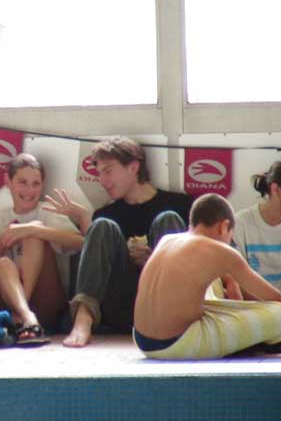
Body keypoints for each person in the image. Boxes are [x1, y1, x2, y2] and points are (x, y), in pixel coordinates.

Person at [44, 137, 192, 347]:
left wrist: (155, 259)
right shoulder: (105, 214)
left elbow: (203, 257)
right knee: (103, 224)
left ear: (133, 167)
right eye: (99, 173)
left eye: (108, 171)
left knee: (168, 218)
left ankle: (176, 320)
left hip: (163, 303)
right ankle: (83, 319)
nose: (102, 180)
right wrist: (85, 218)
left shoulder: (182, 204)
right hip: (120, 306)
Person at [134, 193, 281, 359]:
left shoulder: (167, 240)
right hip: (177, 343)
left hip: (142, 340)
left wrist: (232, 282)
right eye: (229, 237)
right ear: (224, 226)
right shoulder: (221, 251)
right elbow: (275, 297)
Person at [0, 154, 83, 344]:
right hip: (7, 303)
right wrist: (2, 242)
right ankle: (26, 316)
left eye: (36, 184)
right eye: (22, 182)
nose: (29, 190)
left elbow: (83, 243)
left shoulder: (49, 211)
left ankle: (24, 314)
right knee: (3, 263)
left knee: (34, 233)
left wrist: (35, 230)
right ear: (8, 181)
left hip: (47, 302)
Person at [232, 158, 281, 328]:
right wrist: (270, 304)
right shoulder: (240, 223)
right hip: (255, 305)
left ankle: (279, 326)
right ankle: (276, 326)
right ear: (275, 189)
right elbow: (236, 281)